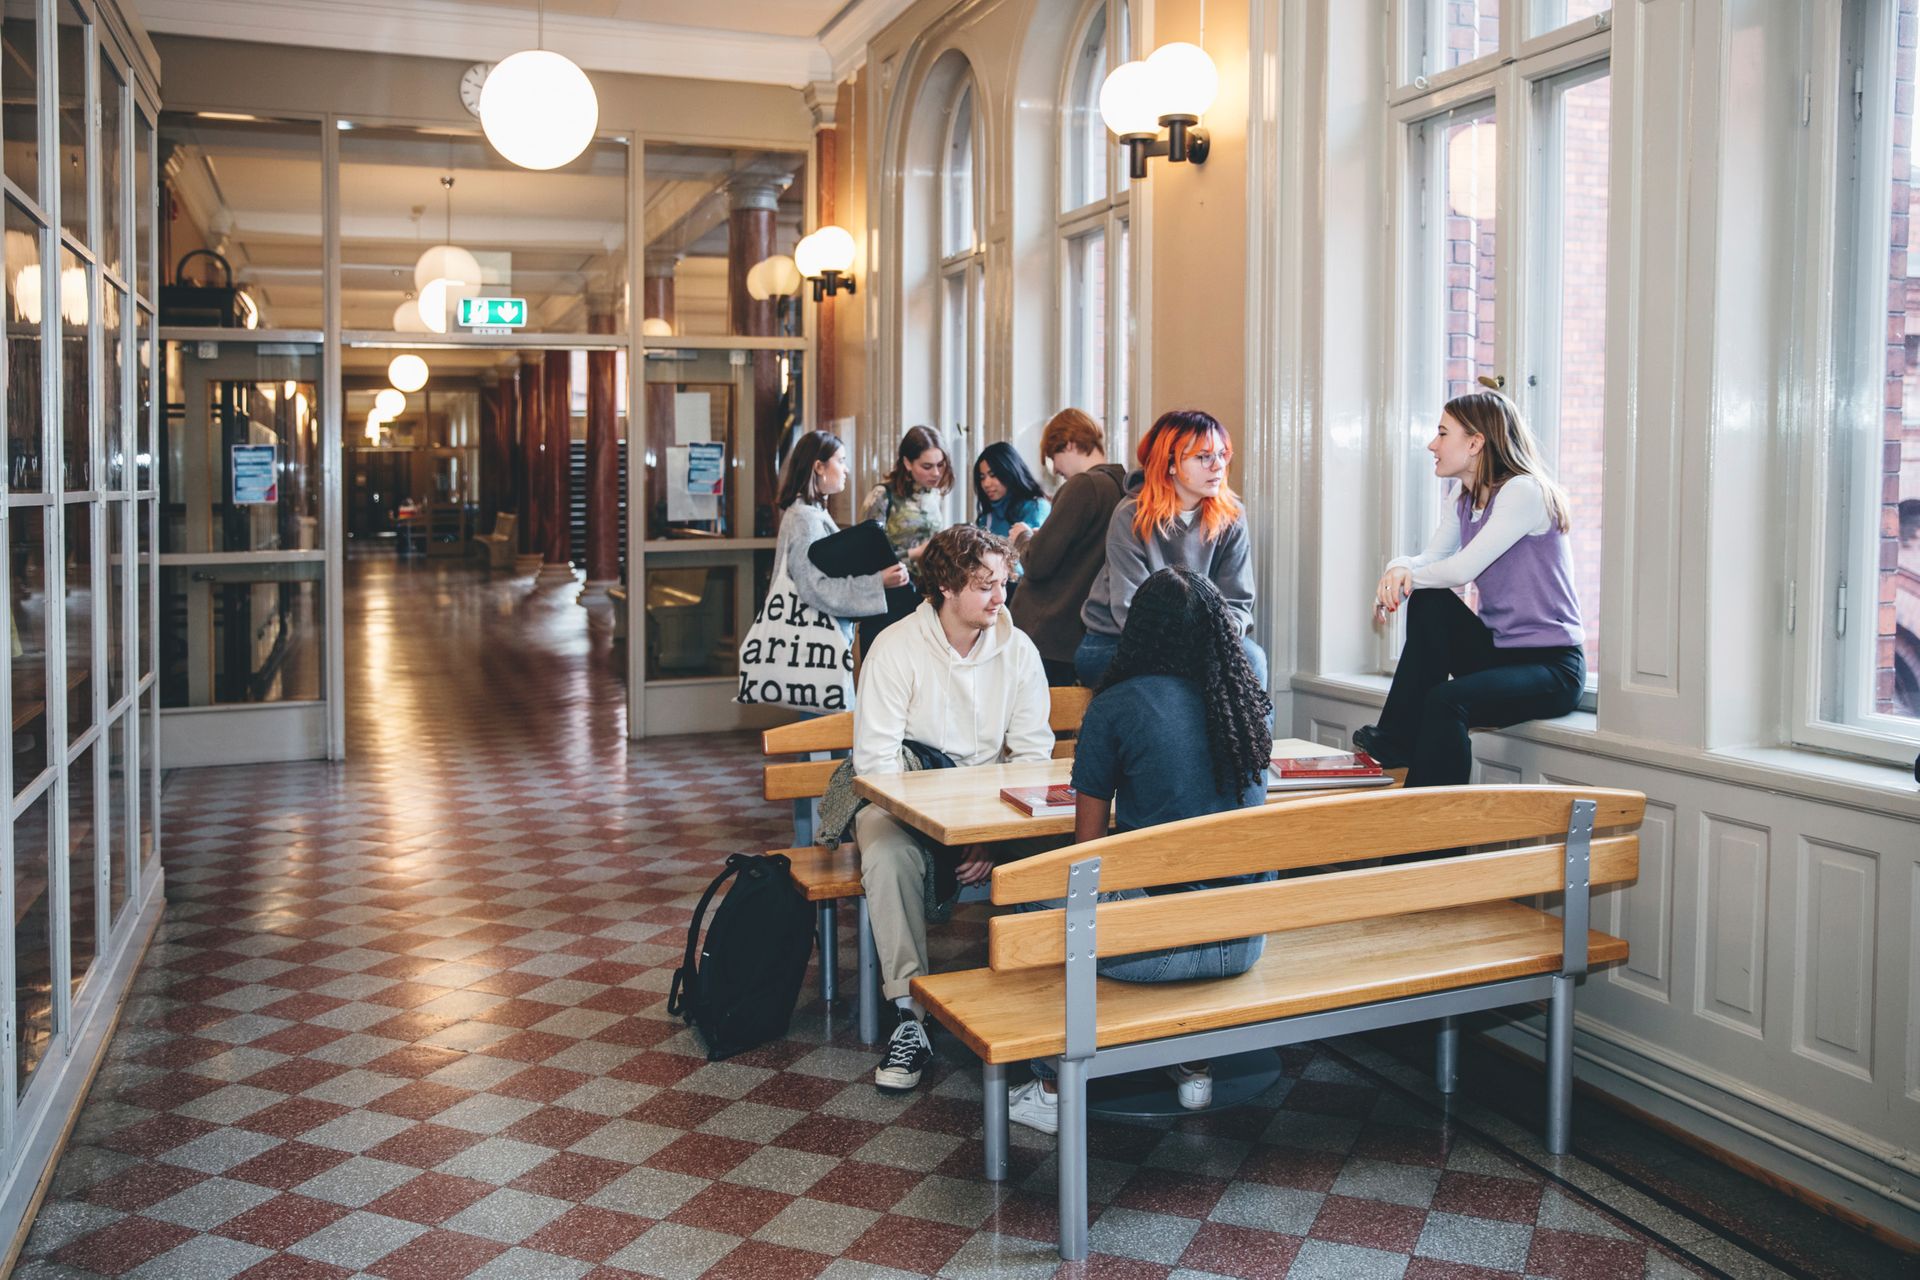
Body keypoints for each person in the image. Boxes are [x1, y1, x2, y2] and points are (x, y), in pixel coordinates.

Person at [1005, 567, 1276, 1134]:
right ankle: (1194, 1063)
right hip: (1246, 940)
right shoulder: (1242, 700)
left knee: (1029, 901)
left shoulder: (1117, 705)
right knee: (1193, 889)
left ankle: (1053, 1087)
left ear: (1138, 632)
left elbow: (1085, 852)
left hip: (1153, 952)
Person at [852, 524, 1054, 1093]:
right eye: (985, 585)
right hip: (905, 802)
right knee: (886, 851)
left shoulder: (1019, 650)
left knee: (1063, 851)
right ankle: (909, 1013)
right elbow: (876, 764)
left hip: (993, 808)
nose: (1000, 598)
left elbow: (1033, 757)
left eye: (1004, 583)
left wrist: (986, 835)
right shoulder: (895, 647)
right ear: (944, 584)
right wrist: (947, 832)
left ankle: (1037, 1008)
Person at [1353, 387, 1585, 787]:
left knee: (1445, 701)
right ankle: (1397, 740)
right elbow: (1429, 560)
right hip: (1500, 654)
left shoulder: (1523, 491)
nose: (1432, 444)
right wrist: (1396, 570)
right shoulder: (1463, 497)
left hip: (1552, 667)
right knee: (1428, 600)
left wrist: (1403, 579)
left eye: (1442, 433)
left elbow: (1461, 568)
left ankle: (1434, 833)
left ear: (1475, 442)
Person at [1077, 409, 1265, 689]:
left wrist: (1215, 639)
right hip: (1115, 642)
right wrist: (1196, 647)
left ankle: (1248, 736)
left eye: (1222, 455)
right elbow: (1129, 612)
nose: (1218, 466)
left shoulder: (1231, 515)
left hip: (1203, 640)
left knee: (1253, 659)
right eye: (1204, 457)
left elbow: (1237, 603)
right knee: (1173, 686)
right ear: (1170, 464)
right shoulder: (1131, 515)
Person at [1013, 410, 1128, 686]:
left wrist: (1023, 537)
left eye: (1053, 458)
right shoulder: (1123, 487)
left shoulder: (1084, 485)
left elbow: (1039, 562)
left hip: (1051, 631)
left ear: (1070, 444)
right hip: (1088, 629)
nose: (1057, 470)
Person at [774, 430, 911, 655]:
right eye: (840, 461)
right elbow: (813, 589)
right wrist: (878, 582)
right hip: (810, 647)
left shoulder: (809, 513)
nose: (846, 469)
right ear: (819, 467)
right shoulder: (805, 519)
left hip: (809, 642)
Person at [858, 426, 955, 652]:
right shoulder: (882, 496)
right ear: (908, 463)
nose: (936, 473)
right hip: (889, 597)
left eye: (941, 465)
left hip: (926, 593)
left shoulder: (934, 495)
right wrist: (914, 553)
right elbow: (865, 555)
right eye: (927, 466)